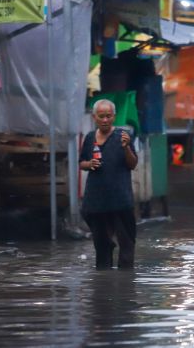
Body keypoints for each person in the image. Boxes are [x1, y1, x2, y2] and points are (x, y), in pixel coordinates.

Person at [80, 99, 138, 269]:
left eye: (108, 116)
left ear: (114, 117)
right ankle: (104, 288)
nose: (105, 120)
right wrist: (89, 164)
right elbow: (81, 162)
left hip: (121, 199)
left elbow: (133, 164)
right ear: (94, 117)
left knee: (126, 246)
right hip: (96, 200)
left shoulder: (123, 135)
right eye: (101, 116)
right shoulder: (90, 138)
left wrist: (126, 147)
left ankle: (126, 287)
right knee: (101, 251)